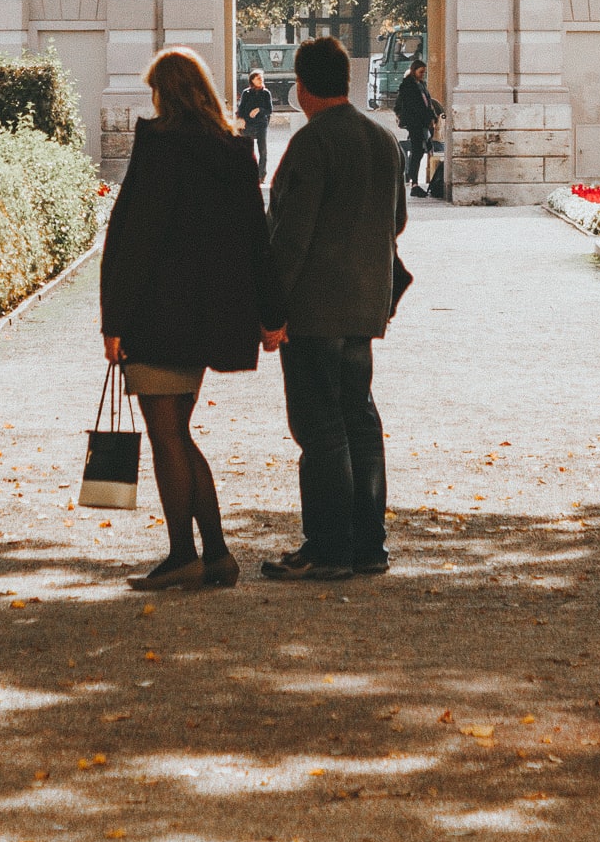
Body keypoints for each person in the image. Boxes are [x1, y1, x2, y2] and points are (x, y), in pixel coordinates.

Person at [100, 45, 286, 596]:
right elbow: (257, 239)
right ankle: (216, 555)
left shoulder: (159, 147)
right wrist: (269, 315)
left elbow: (133, 238)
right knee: (178, 433)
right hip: (209, 318)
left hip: (158, 315)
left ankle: (187, 554)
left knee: (169, 437)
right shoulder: (234, 151)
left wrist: (114, 320)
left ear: (166, 92)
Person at [259, 34, 407, 584]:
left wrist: (271, 311)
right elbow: (396, 221)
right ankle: (368, 543)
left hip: (314, 310)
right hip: (365, 304)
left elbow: (289, 237)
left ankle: (328, 546)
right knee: (360, 420)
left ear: (300, 88)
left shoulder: (311, 144)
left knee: (319, 428)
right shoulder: (381, 138)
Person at [393, 56, 443, 202]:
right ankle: (413, 183)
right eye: (421, 72)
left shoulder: (421, 85)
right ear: (414, 71)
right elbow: (415, 107)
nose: (423, 75)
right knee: (417, 152)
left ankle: (413, 181)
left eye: (424, 73)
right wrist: (428, 118)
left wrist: (432, 117)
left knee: (420, 151)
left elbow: (427, 104)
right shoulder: (408, 86)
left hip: (422, 123)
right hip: (415, 123)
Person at [236, 63, 273, 178]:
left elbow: (269, 110)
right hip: (248, 124)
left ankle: (261, 174)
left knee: (262, 150)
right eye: (258, 78)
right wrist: (240, 120)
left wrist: (259, 110)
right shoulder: (246, 93)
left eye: (261, 78)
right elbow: (241, 109)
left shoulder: (266, 93)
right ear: (252, 80)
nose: (261, 80)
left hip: (261, 124)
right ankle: (249, 173)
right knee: (248, 150)